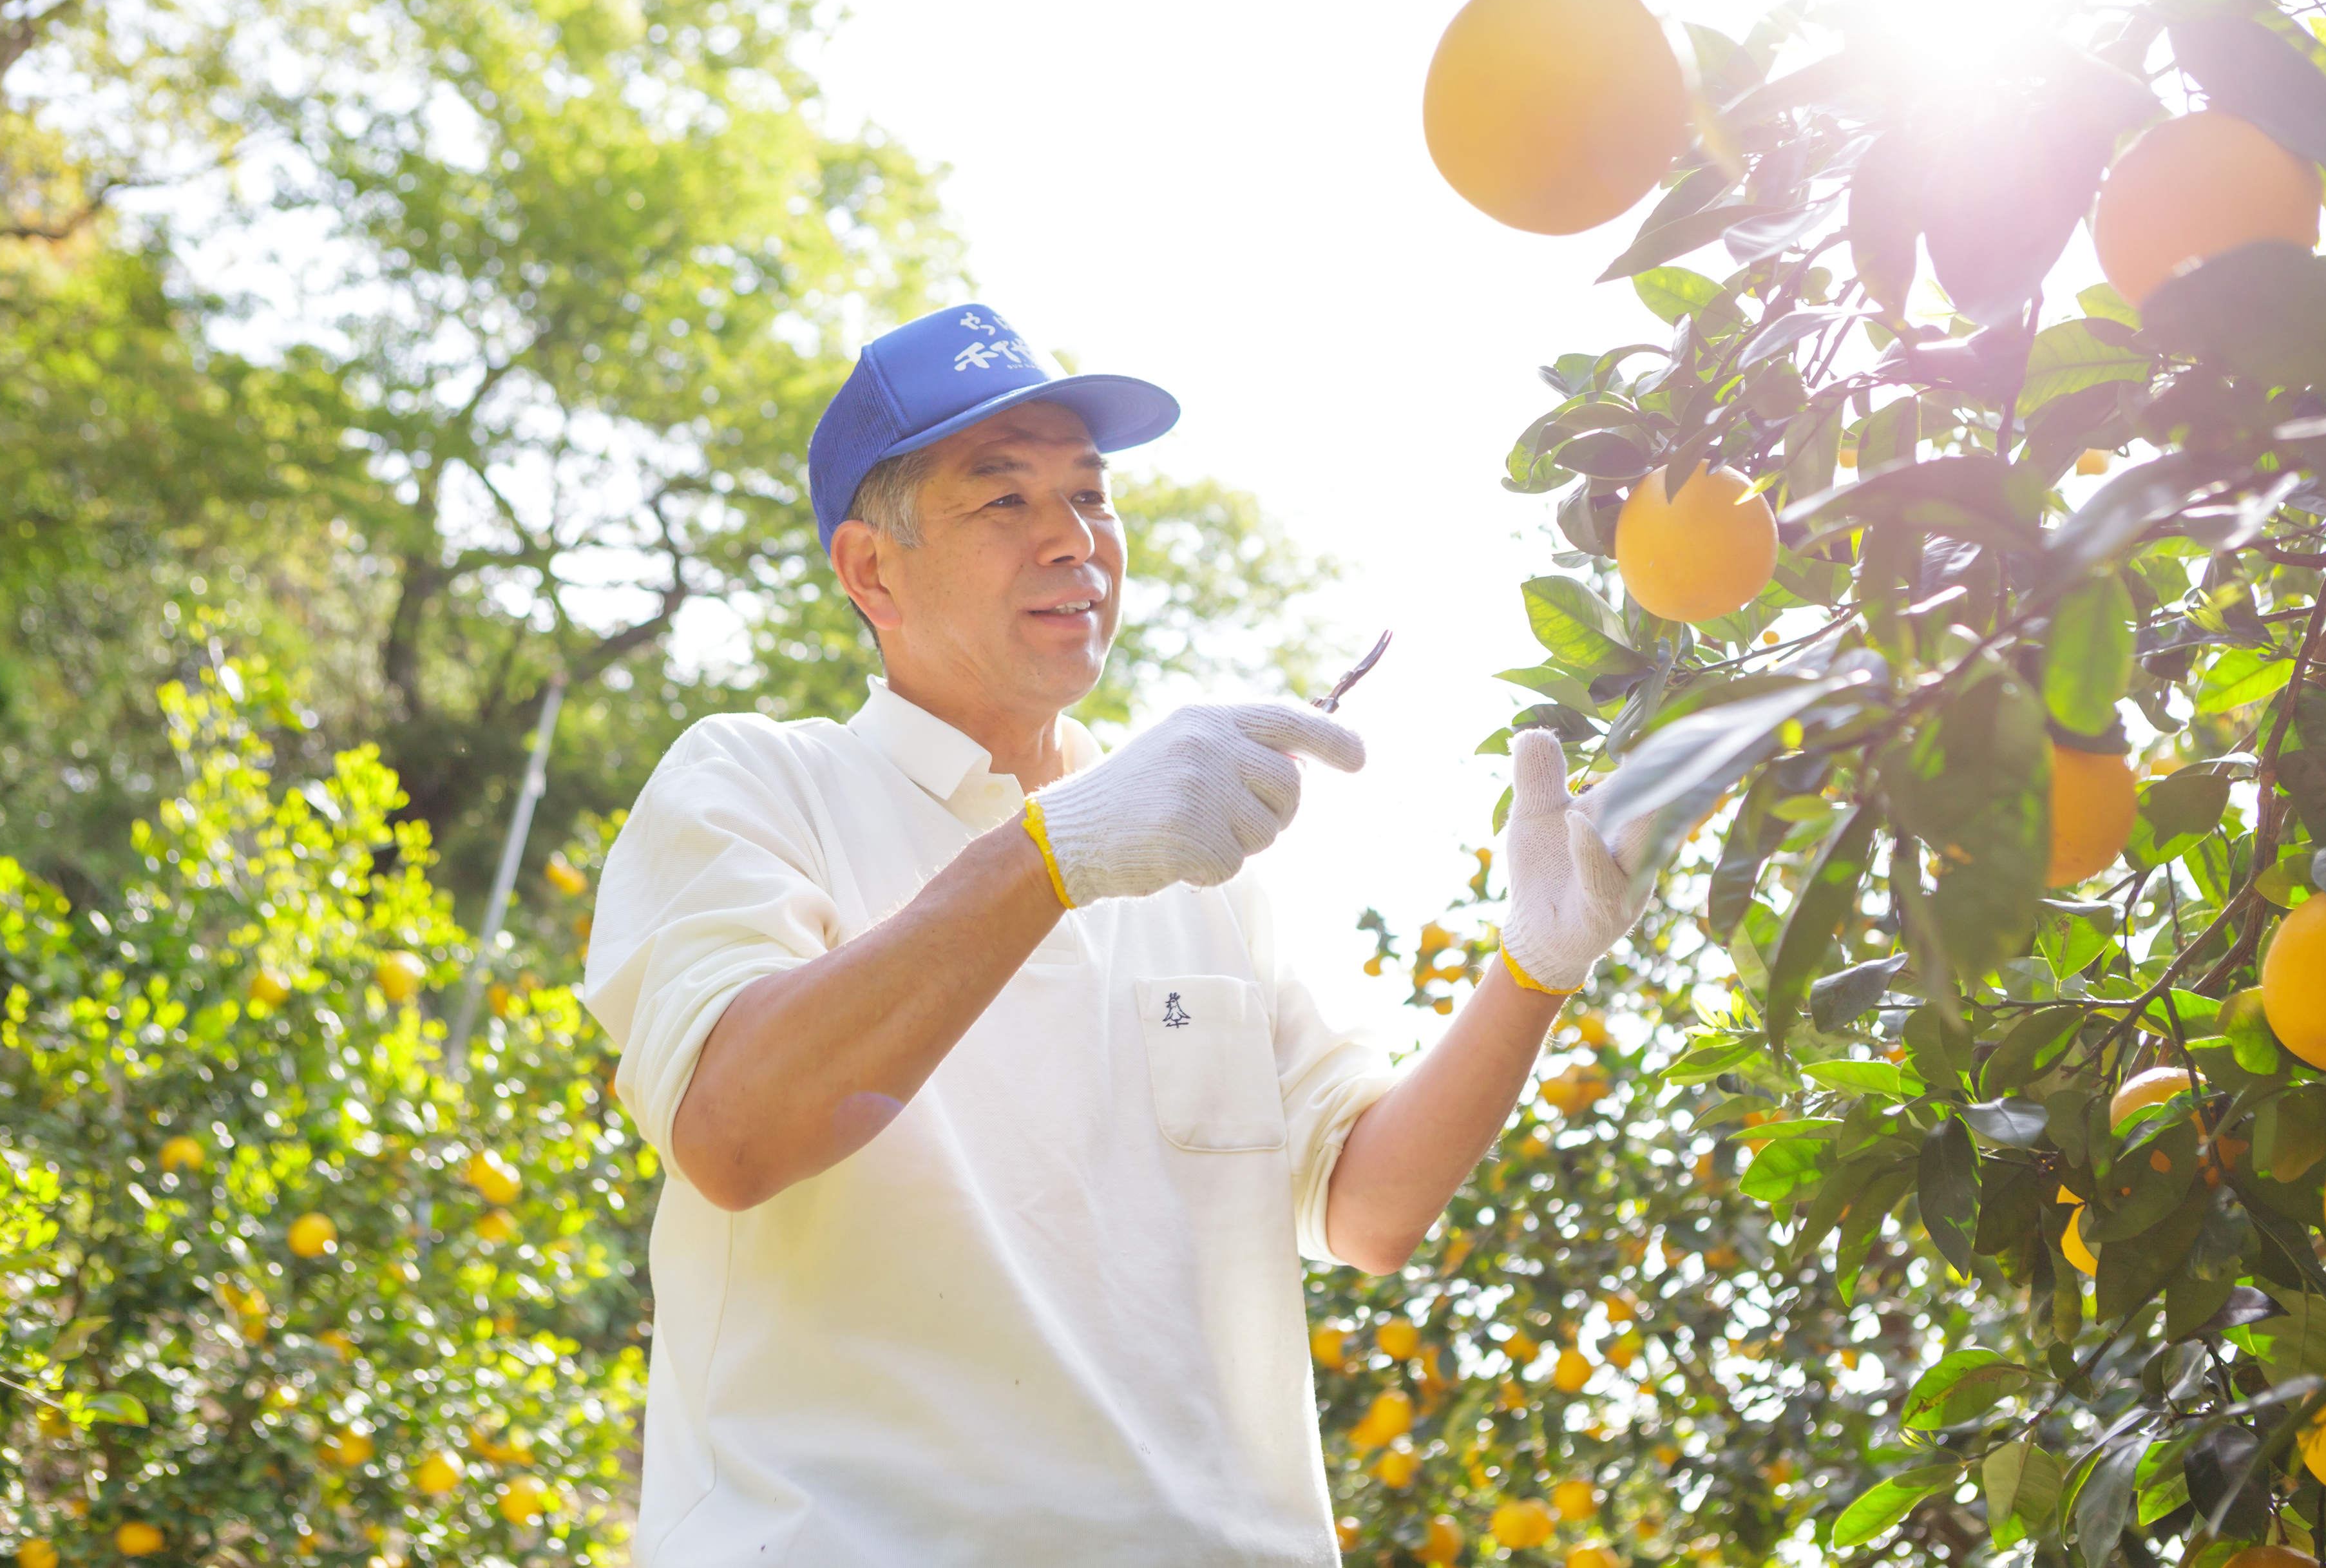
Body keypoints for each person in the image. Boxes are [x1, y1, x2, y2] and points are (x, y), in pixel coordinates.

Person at [585, 301, 1656, 1566]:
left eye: (1089, 498)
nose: (1072, 542)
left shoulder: (1191, 866)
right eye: (1004, 501)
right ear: (871, 570)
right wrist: (1053, 855)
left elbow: (1363, 1207)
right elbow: (737, 1130)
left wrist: (1533, 967)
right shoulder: (758, 784)